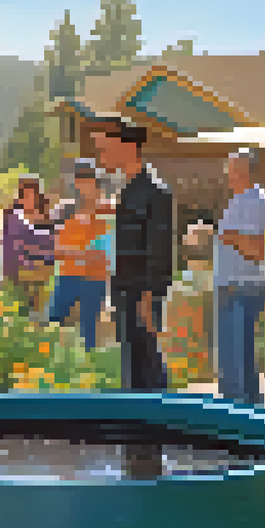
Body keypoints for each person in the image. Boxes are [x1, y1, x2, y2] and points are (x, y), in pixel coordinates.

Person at [90, 118, 172, 390]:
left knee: (147, 364)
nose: (101, 158)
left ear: (125, 148)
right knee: (132, 366)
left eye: (104, 150)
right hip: (125, 291)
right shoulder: (127, 192)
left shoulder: (154, 192)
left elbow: (159, 250)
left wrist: (150, 299)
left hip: (142, 294)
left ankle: (162, 423)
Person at [213, 149, 265, 405]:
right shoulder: (241, 199)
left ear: (243, 170)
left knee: (233, 364)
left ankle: (237, 424)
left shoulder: (254, 200)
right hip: (236, 285)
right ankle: (251, 418)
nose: (228, 173)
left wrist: (220, 236)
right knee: (242, 362)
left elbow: (255, 250)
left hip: (240, 287)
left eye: (231, 168)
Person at [47, 160, 112, 350]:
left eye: (88, 179)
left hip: (95, 279)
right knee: (53, 323)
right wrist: (83, 254)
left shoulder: (108, 211)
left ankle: (88, 371)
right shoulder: (64, 210)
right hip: (68, 277)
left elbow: (111, 249)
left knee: (89, 331)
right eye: (80, 179)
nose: (84, 185)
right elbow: (56, 250)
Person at [3, 175, 56, 317]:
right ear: (19, 199)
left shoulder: (47, 218)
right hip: (22, 270)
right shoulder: (14, 219)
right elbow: (13, 249)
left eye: (33, 195)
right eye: (25, 196)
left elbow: (54, 246)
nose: (29, 200)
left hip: (46, 269)